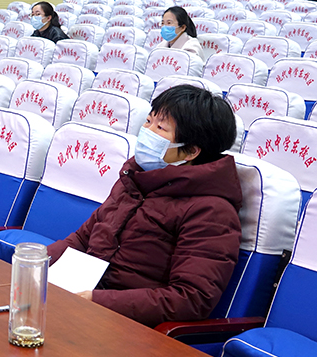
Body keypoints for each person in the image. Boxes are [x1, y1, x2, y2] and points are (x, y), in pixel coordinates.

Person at [46, 85, 242, 328]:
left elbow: (191, 298)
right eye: (148, 121)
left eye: (160, 128)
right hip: (84, 301)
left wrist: (97, 301)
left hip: (128, 324)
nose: (146, 132)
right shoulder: (134, 180)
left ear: (191, 151)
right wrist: (36, 263)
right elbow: (83, 238)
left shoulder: (211, 211)